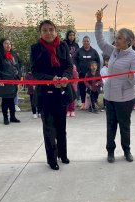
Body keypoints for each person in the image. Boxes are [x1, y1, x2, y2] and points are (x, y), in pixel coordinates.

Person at [95, 9, 135, 163]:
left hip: (125, 98)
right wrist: (99, 22)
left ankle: (127, 150)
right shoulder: (114, 51)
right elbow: (101, 41)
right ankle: (110, 151)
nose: (116, 41)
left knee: (124, 126)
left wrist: (131, 76)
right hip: (109, 96)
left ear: (128, 41)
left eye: (120, 38)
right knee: (110, 125)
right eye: (116, 38)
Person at [30, 20, 75, 170]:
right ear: (40, 33)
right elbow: (35, 71)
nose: (48, 33)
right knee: (49, 128)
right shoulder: (35, 48)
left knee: (61, 126)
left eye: (51, 29)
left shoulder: (63, 46)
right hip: (45, 94)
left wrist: (65, 77)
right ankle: (52, 159)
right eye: (45, 30)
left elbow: (69, 66)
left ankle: (63, 154)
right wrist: (51, 79)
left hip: (62, 91)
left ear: (56, 31)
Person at [0, 38, 22, 125]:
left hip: (14, 80)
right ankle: (5, 117)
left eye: (9, 43)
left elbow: (18, 66)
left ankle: (13, 117)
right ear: (2, 45)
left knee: (12, 100)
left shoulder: (14, 54)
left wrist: (19, 76)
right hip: (4, 81)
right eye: (6, 43)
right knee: (5, 100)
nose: (8, 45)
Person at [74, 36, 100, 110]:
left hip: (92, 74)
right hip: (82, 73)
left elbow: (98, 61)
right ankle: (83, 103)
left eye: (87, 41)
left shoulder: (94, 51)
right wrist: (78, 70)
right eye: (84, 41)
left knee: (94, 88)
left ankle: (94, 102)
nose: (86, 42)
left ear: (89, 42)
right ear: (82, 42)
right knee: (82, 88)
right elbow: (74, 59)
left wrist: (96, 71)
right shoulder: (79, 51)